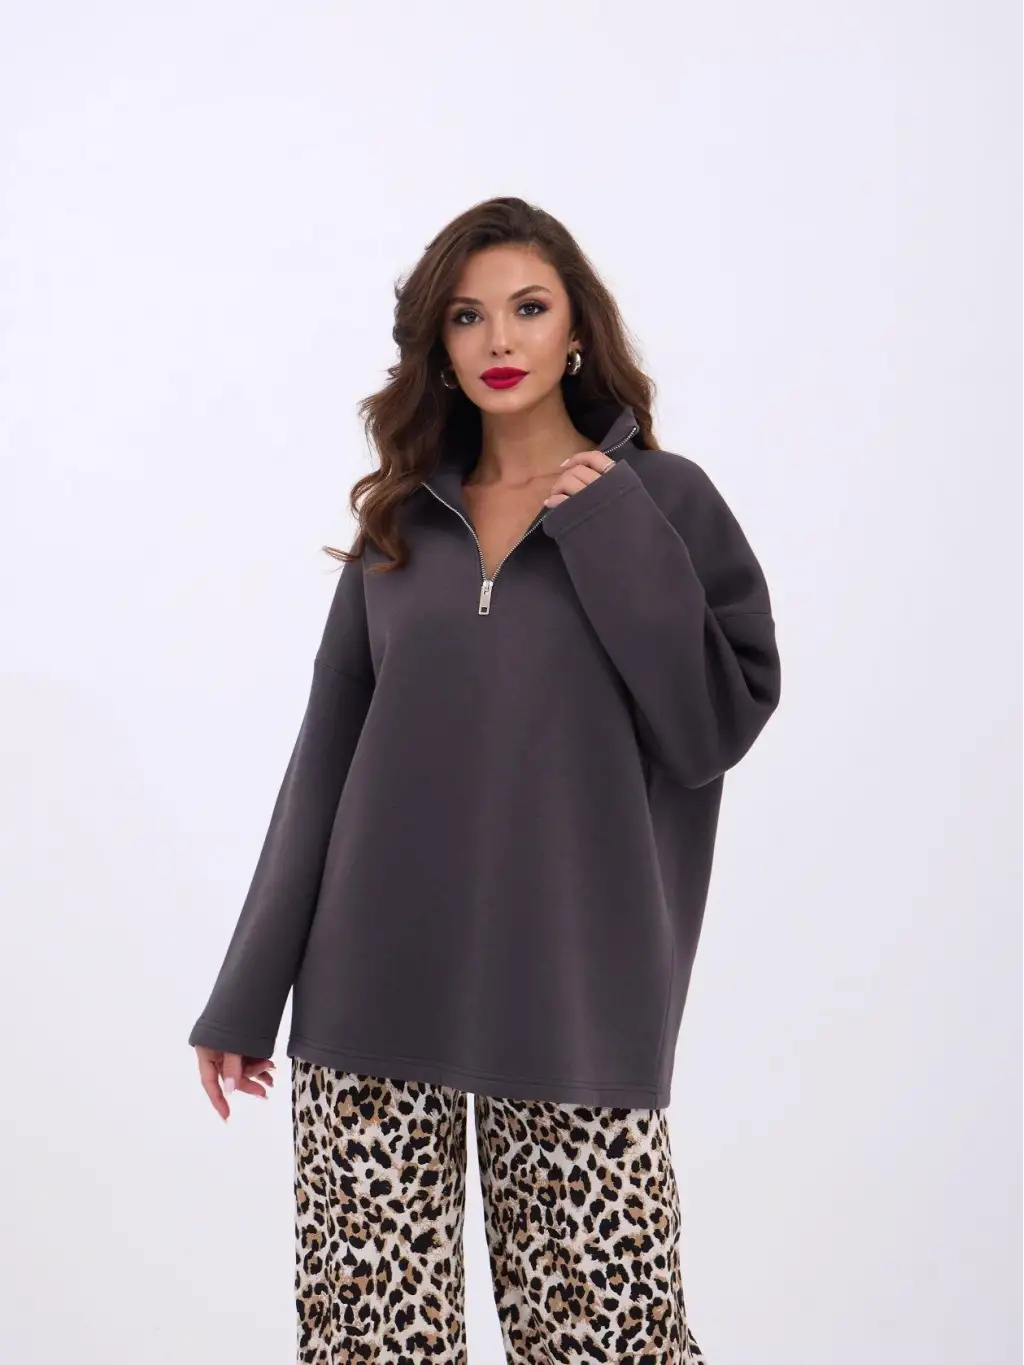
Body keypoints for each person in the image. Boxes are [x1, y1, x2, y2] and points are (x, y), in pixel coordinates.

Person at [188, 195, 782, 1363]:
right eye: (466, 316)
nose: (499, 340)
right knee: (368, 1347)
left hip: (576, 999)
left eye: (528, 308)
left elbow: (709, 726)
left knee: (609, 1343)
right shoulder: (398, 523)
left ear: (577, 330)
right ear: (438, 344)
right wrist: (246, 994)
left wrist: (610, 528)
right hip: (368, 993)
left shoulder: (663, 503)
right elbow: (323, 764)